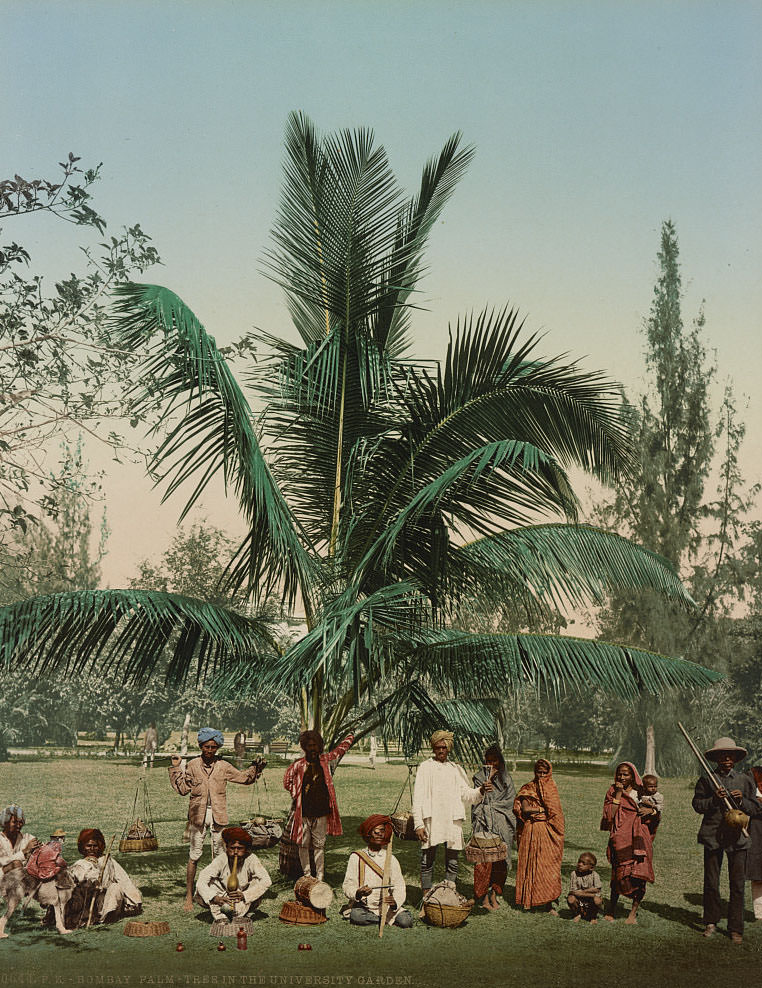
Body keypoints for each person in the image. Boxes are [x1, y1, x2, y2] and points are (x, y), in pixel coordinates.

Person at [169, 726, 266, 911]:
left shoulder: (223, 766)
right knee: (194, 856)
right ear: (201, 746)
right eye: (206, 747)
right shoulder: (192, 765)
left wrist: (256, 768)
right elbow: (182, 789)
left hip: (218, 816)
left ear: (218, 748)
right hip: (197, 817)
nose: (210, 750)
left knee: (221, 857)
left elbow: (244, 778)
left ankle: (219, 895)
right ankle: (189, 896)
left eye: (213, 747)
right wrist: (176, 767)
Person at [412, 730, 490, 911]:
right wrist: (418, 824)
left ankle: (449, 896)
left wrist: (481, 790)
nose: (441, 751)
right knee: (427, 860)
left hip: (452, 820)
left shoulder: (456, 769)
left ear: (449, 749)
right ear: (433, 748)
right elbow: (418, 798)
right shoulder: (425, 767)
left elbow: (467, 794)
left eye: (444, 747)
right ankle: (426, 900)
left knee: (453, 861)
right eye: (438, 747)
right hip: (432, 819)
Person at [692, 735, 758, 943]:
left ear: (735, 758)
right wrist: (714, 799)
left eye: (730, 756)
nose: (727, 759)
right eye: (722, 756)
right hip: (712, 836)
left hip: (738, 838)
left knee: (737, 884)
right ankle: (711, 921)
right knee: (711, 882)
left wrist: (742, 801)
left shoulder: (745, 780)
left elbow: (756, 808)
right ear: (716, 758)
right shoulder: (707, 779)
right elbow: (697, 805)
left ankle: (735, 928)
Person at [283, 730, 354, 882]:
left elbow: (340, 750)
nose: (313, 749)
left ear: (320, 746)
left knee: (319, 845)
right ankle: (307, 875)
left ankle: (320, 876)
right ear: (304, 747)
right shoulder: (298, 765)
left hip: (321, 811)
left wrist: (350, 736)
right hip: (303, 812)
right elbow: (287, 781)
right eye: (309, 746)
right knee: (303, 845)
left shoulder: (326, 761)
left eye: (315, 745)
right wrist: (296, 793)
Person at [601, 761, 658, 924]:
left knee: (639, 874)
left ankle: (633, 912)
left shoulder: (642, 791)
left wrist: (652, 811)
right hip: (620, 837)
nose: (622, 777)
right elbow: (609, 815)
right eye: (619, 774)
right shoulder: (612, 791)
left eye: (626, 774)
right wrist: (618, 794)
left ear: (633, 776)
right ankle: (611, 909)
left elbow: (656, 809)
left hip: (640, 837)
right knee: (618, 874)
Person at [341, 815, 413, 928]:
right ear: (368, 834)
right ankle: (384, 920)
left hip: (386, 906)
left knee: (406, 921)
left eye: (382, 831)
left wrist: (395, 902)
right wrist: (358, 893)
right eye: (376, 832)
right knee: (356, 915)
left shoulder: (390, 858)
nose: (380, 834)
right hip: (364, 907)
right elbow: (348, 885)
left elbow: (399, 885)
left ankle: (381, 918)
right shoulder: (356, 857)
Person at [513, 758, 564, 914]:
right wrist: (542, 810)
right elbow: (526, 809)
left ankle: (548, 903)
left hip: (548, 831)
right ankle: (529, 900)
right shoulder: (528, 788)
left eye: (544, 773)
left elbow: (556, 812)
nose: (541, 775)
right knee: (530, 864)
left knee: (546, 866)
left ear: (549, 773)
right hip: (531, 830)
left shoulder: (551, 788)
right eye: (538, 772)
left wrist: (543, 812)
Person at [471, 744, 515, 910]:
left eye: (494, 761)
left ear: (500, 761)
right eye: (488, 761)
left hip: (502, 823)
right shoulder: (479, 778)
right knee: (484, 860)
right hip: (484, 823)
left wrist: (495, 809)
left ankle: (494, 894)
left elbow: (510, 801)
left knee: (500, 860)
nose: (491, 764)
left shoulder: (506, 779)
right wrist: (486, 784)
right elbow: (477, 801)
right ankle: (482, 897)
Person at [66, 829, 142, 927]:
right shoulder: (80, 864)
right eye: (88, 846)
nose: (92, 849)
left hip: (106, 900)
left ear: (100, 846)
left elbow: (123, 879)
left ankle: (108, 917)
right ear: (83, 847)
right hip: (87, 902)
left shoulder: (107, 860)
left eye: (95, 846)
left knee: (116, 887)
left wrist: (135, 899)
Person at [195, 826, 271, 923]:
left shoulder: (251, 859)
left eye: (240, 848)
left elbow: (267, 881)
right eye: (232, 848)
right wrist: (214, 897)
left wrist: (245, 895)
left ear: (246, 849)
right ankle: (220, 915)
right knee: (207, 883)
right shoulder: (221, 859)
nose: (235, 852)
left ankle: (240, 912)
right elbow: (202, 880)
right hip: (223, 895)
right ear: (226, 847)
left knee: (258, 882)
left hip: (242, 895)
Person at [567, 852, 602, 923]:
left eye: (584, 863)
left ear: (591, 867)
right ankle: (577, 914)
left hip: (590, 899)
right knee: (571, 899)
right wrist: (590, 893)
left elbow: (597, 889)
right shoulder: (574, 874)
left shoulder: (595, 875)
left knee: (597, 900)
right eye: (579, 862)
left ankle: (593, 916)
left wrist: (583, 892)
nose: (580, 864)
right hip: (579, 899)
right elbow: (574, 891)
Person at [747, 765, 762, 922]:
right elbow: (750, 804)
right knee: (758, 872)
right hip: (757, 830)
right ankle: (760, 912)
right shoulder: (753, 774)